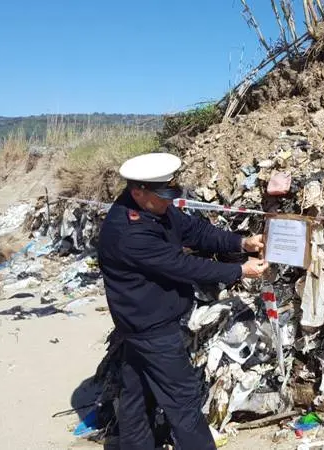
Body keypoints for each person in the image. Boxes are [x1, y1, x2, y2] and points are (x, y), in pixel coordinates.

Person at [97, 152, 269, 450]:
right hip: (151, 326)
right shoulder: (129, 232)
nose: (170, 201)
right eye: (163, 195)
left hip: (139, 321)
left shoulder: (155, 208)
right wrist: (240, 270)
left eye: (170, 192)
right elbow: (184, 266)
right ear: (138, 191)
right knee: (182, 400)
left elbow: (194, 230)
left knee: (136, 392)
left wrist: (240, 242)